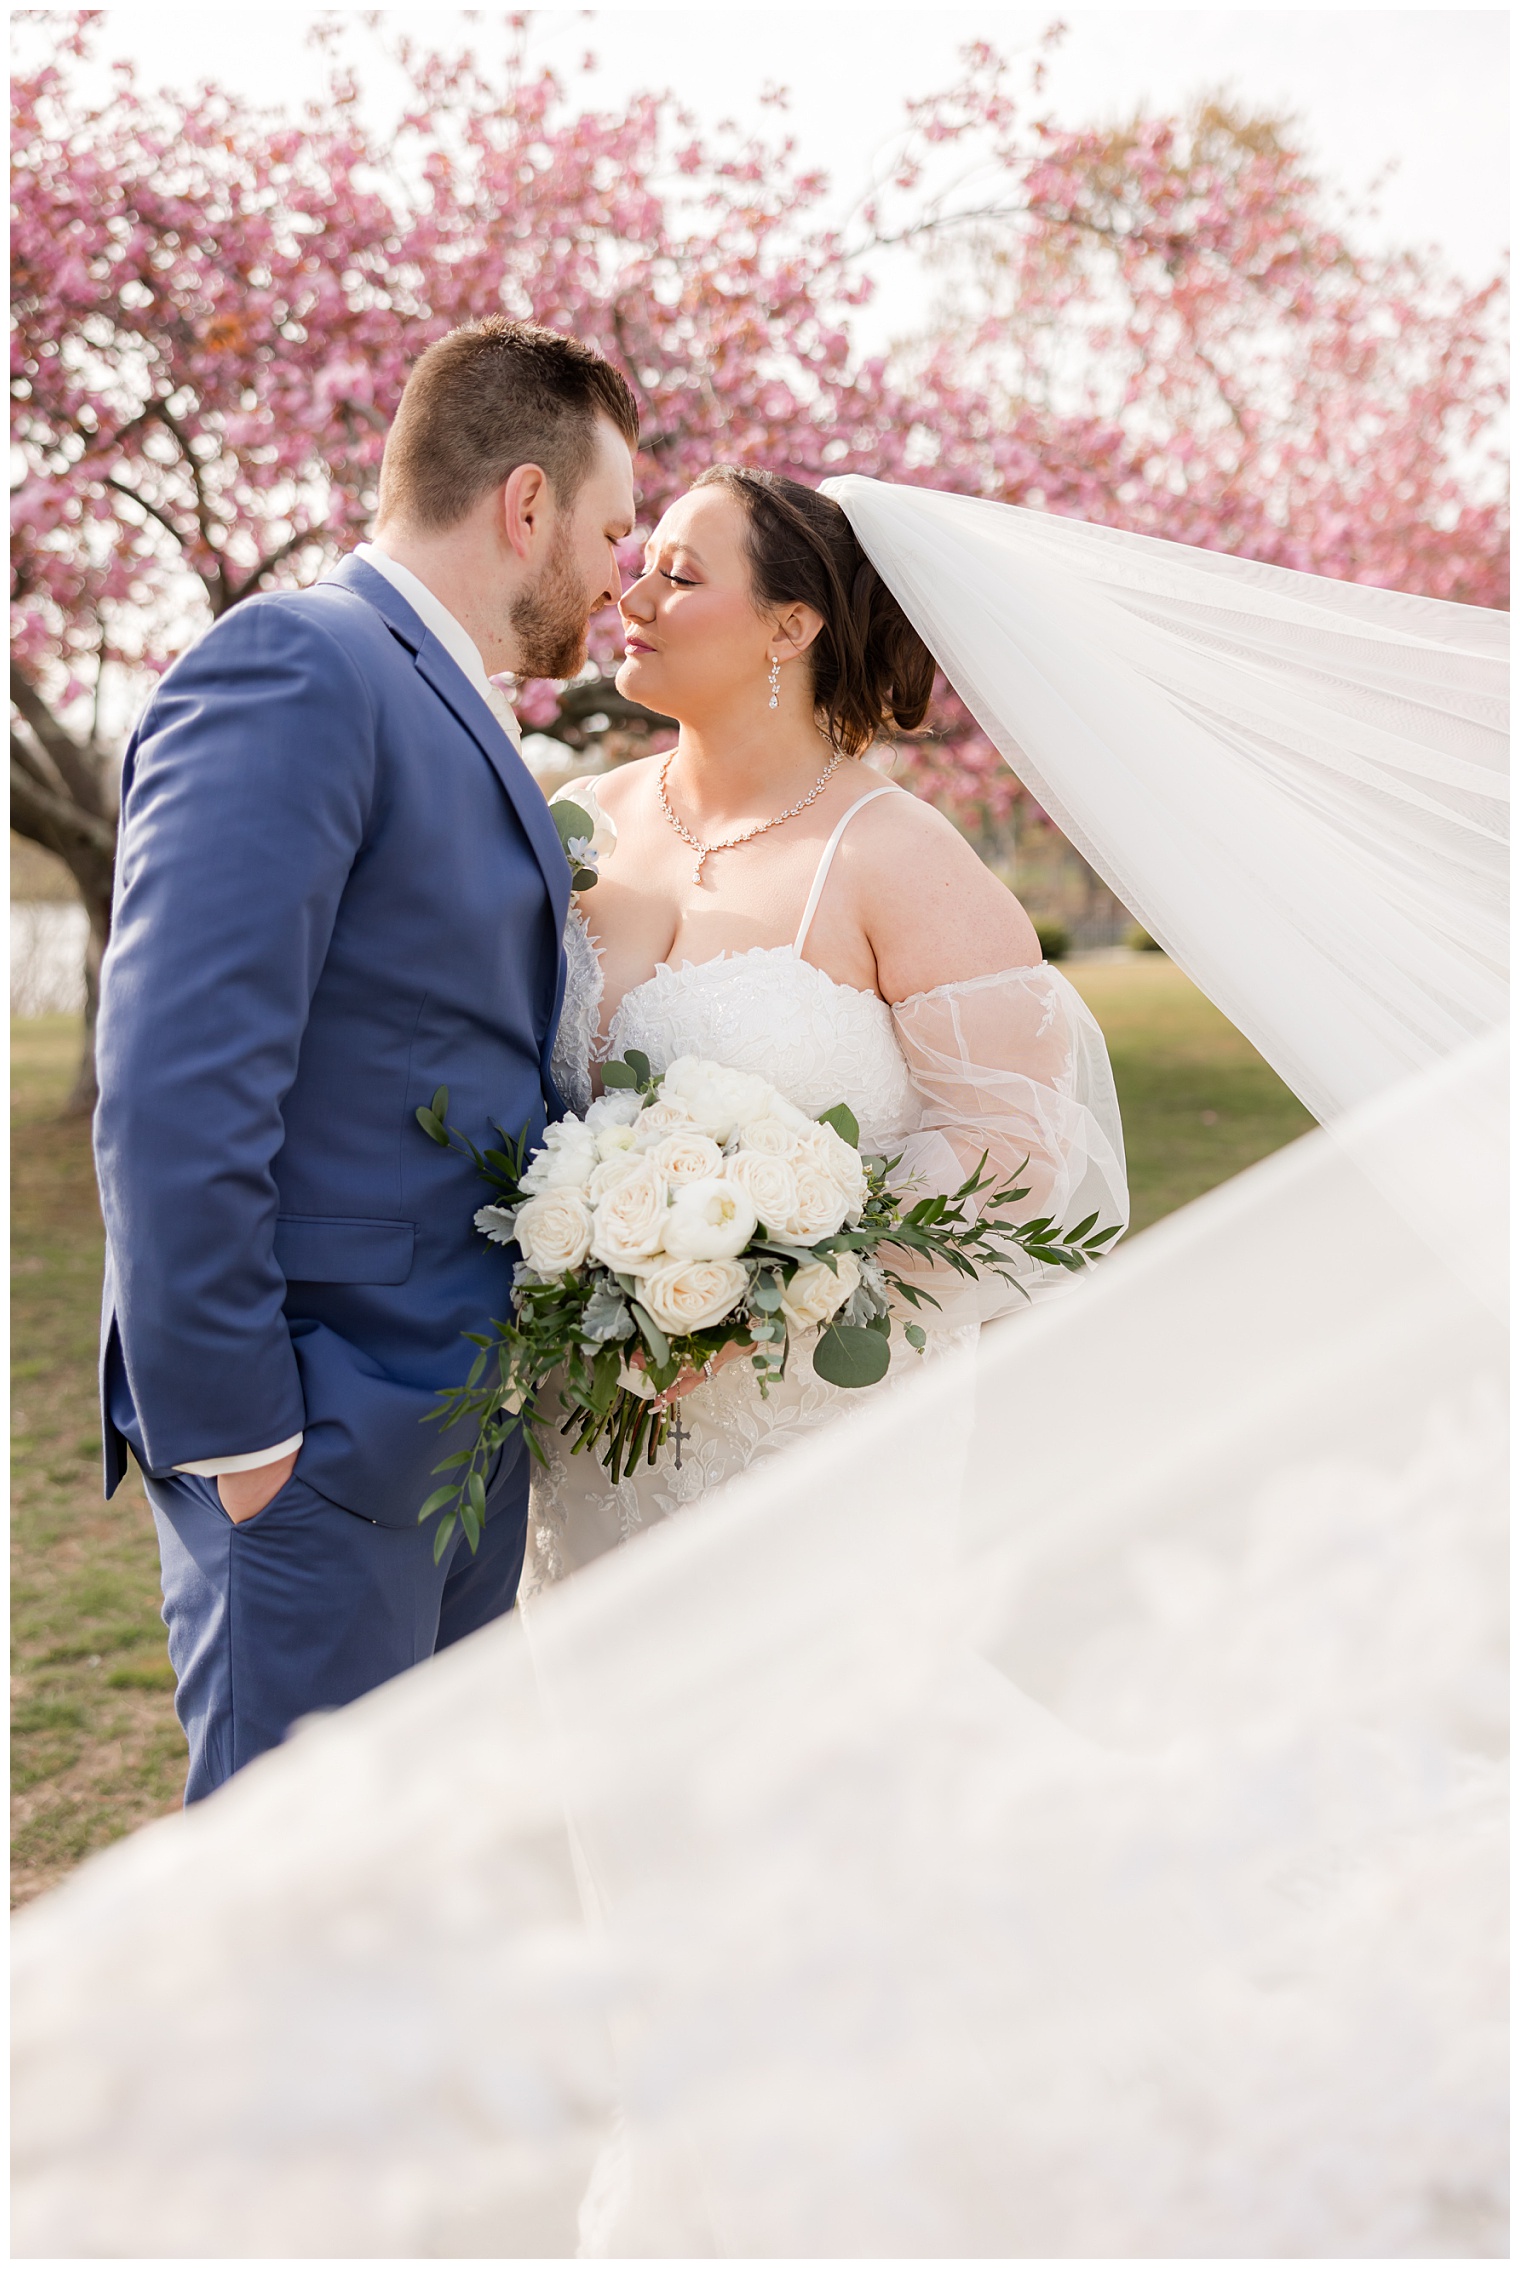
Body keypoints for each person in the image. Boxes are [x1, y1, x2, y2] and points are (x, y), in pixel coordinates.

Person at [93, 318, 638, 1801]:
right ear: (524, 505)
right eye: (611, 527)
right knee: (297, 1923)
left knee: (403, 1905)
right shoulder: (298, 663)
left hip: (448, 1438)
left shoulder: (440, 694)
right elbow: (175, 1073)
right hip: (315, 1441)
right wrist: (245, 1431)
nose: (619, 574)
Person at [528, 467, 1128, 1586]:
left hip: (803, 1432)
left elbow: (1014, 1156)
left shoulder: (897, 857)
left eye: (680, 574)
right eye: (641, 565)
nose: (634, 598)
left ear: (788, 626)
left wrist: (764, 1288)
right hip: (581, 1422)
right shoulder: (571, 820)